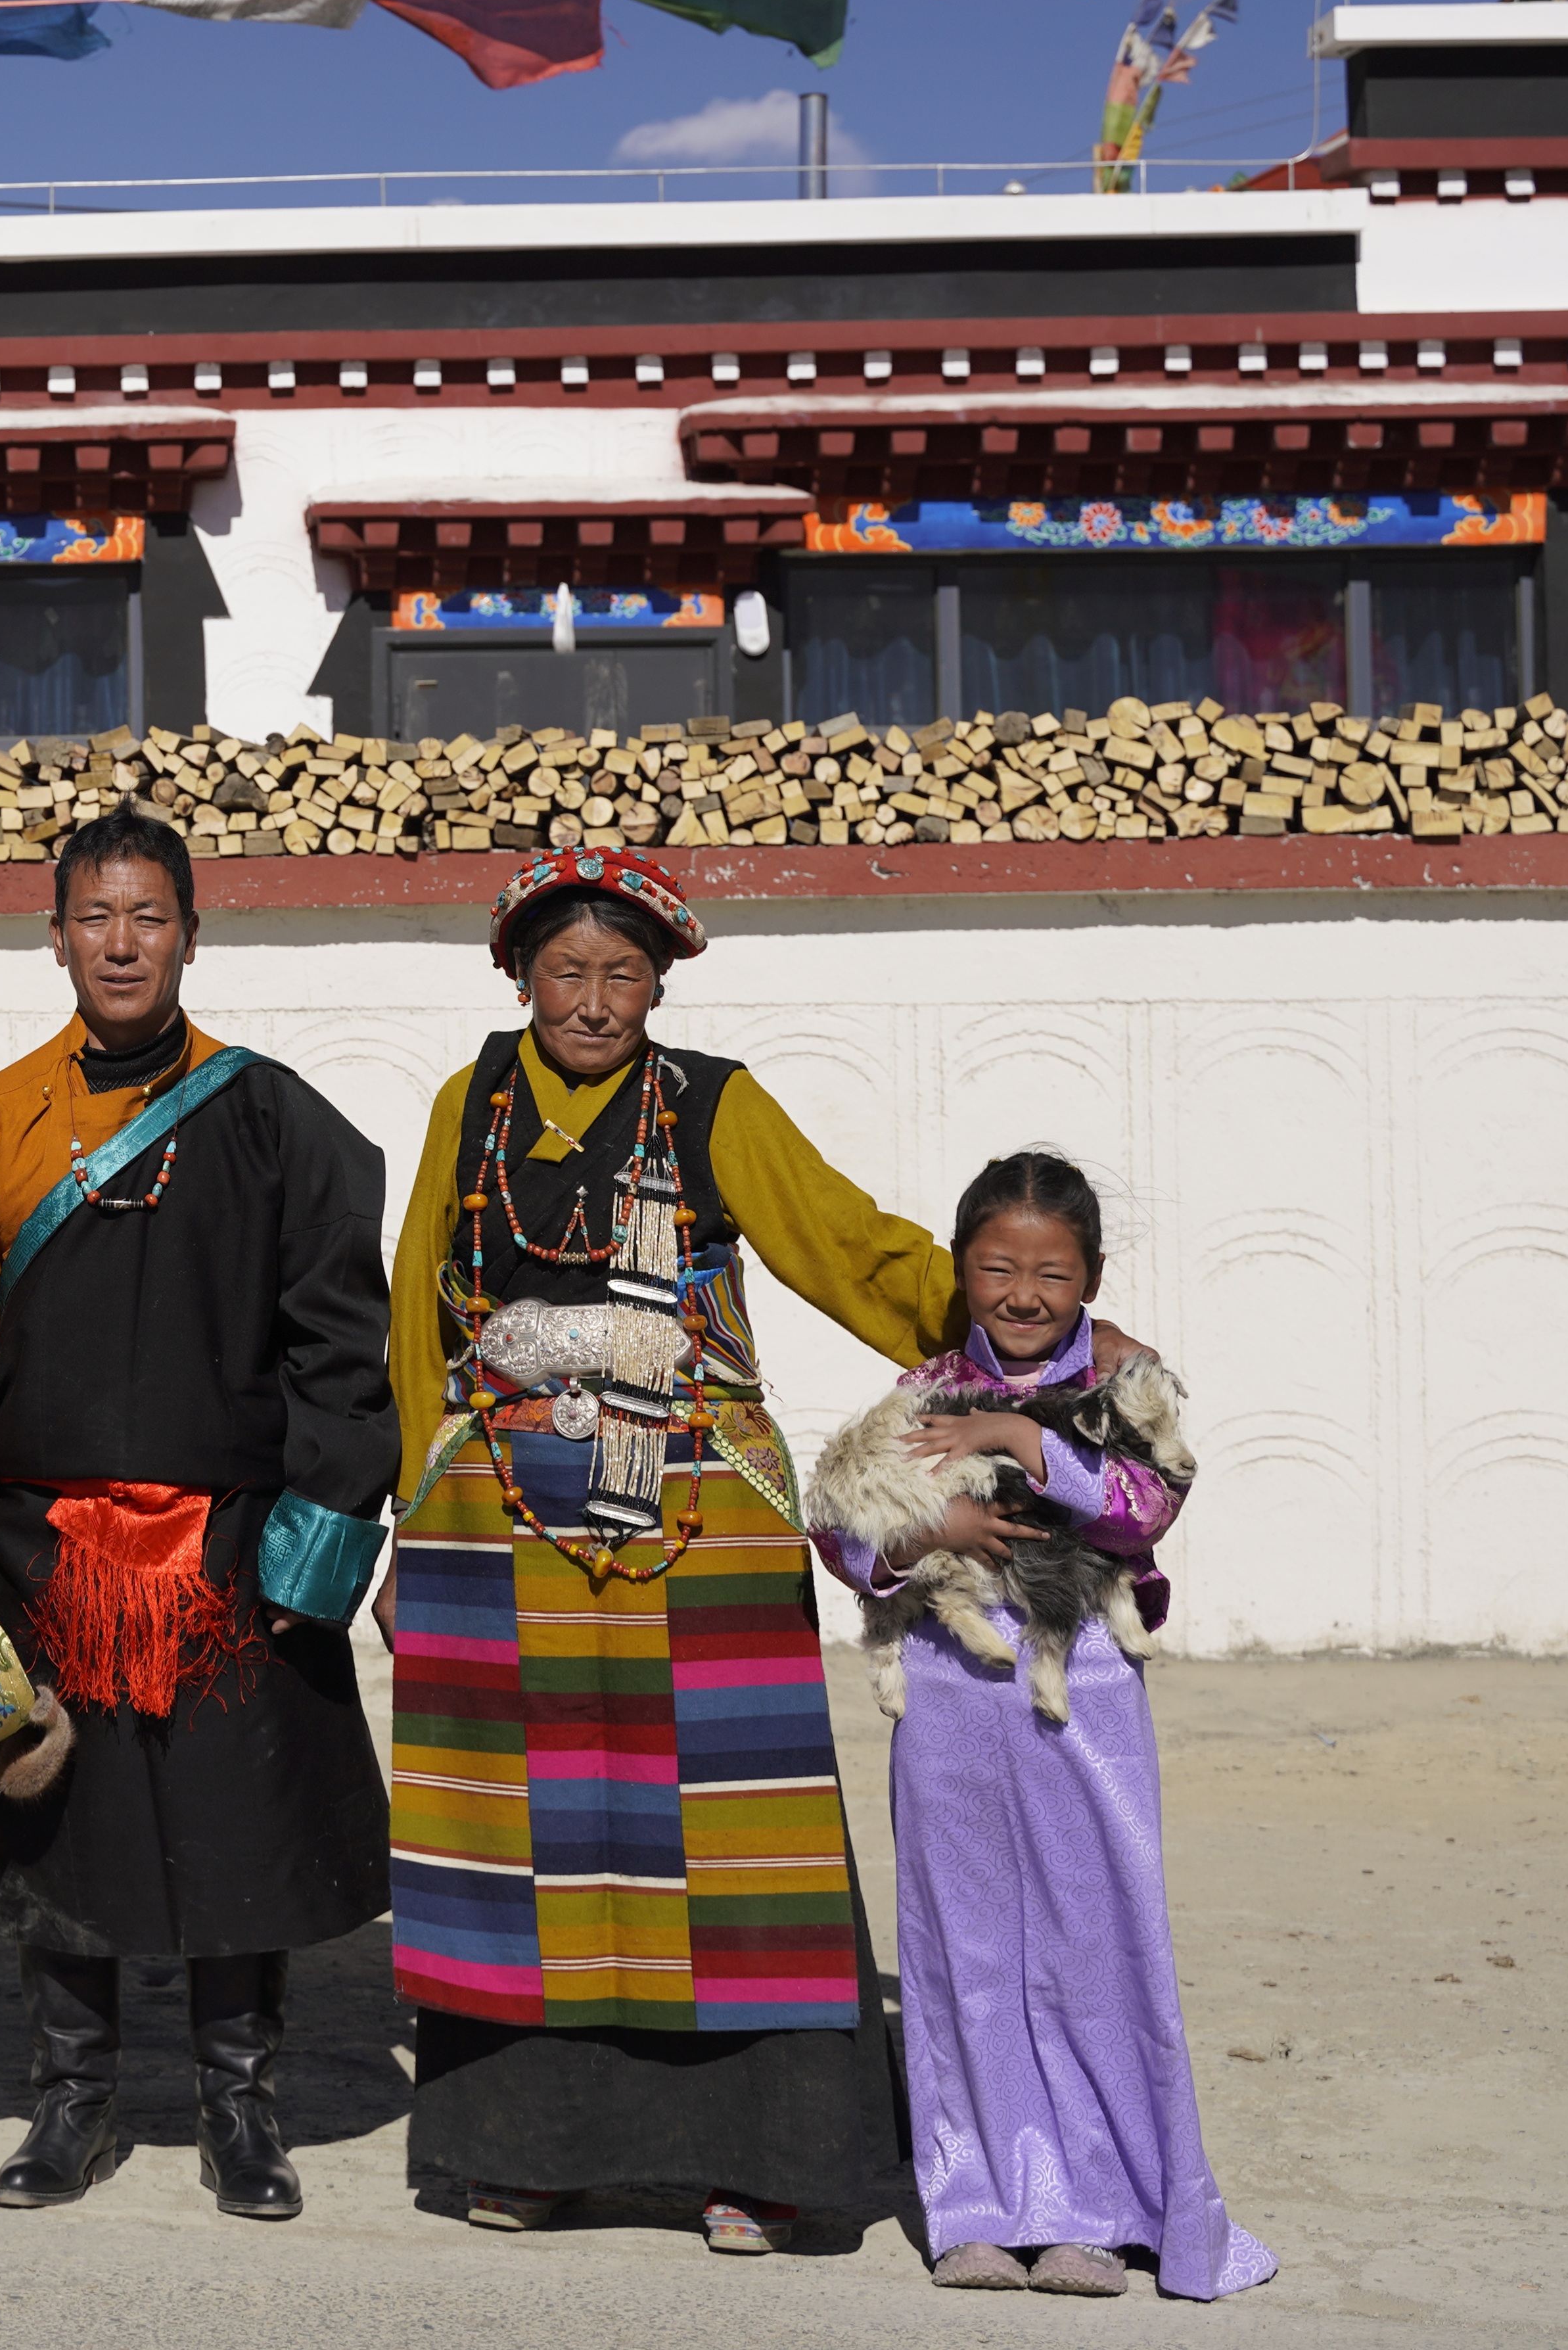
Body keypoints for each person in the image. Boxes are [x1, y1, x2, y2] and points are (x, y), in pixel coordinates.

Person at [382, 848, 957, 2253]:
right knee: (525, 1837)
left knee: (725, 1829)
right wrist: (408, 1512)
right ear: (519, 976)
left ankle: (755, 2163)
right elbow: (419, 1313)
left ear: (660, 979)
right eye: (565, 971)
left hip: (694, 1517)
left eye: (620, 972)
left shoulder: (712, 1103)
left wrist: (1003, 1334)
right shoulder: (471, 1104)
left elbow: (843, 1246)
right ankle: (529, 2151)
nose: (591, 999)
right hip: (499, 1521)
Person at [0, 808, 394, 2222]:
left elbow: (342, 1339)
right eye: (92, 916)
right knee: (60, 1833)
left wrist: (323, 1529)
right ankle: (72, 2099)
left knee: (236, 1831)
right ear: (52, 939)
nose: (119, 941)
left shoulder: (273, 1116)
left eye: (146, 915)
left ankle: (238, 2105)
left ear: (189, 934)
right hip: (47, 1544)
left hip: (226, 1549)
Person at [818, 1152, 1276, 2302]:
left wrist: (1032, 1445)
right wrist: (939, 1526)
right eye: (996, 1268)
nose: (1023, 1295)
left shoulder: (1130, 1388)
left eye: (1052, 1274)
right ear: (962, 1270)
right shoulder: (919, 1395)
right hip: (951, 1700)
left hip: (1088, 1698)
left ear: (1092, 1278)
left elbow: (1146, 1506)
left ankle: (1096, 2206)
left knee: (1094, 1937)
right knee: (958, 1942)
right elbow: (841, 1531)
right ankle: (973, 2199)